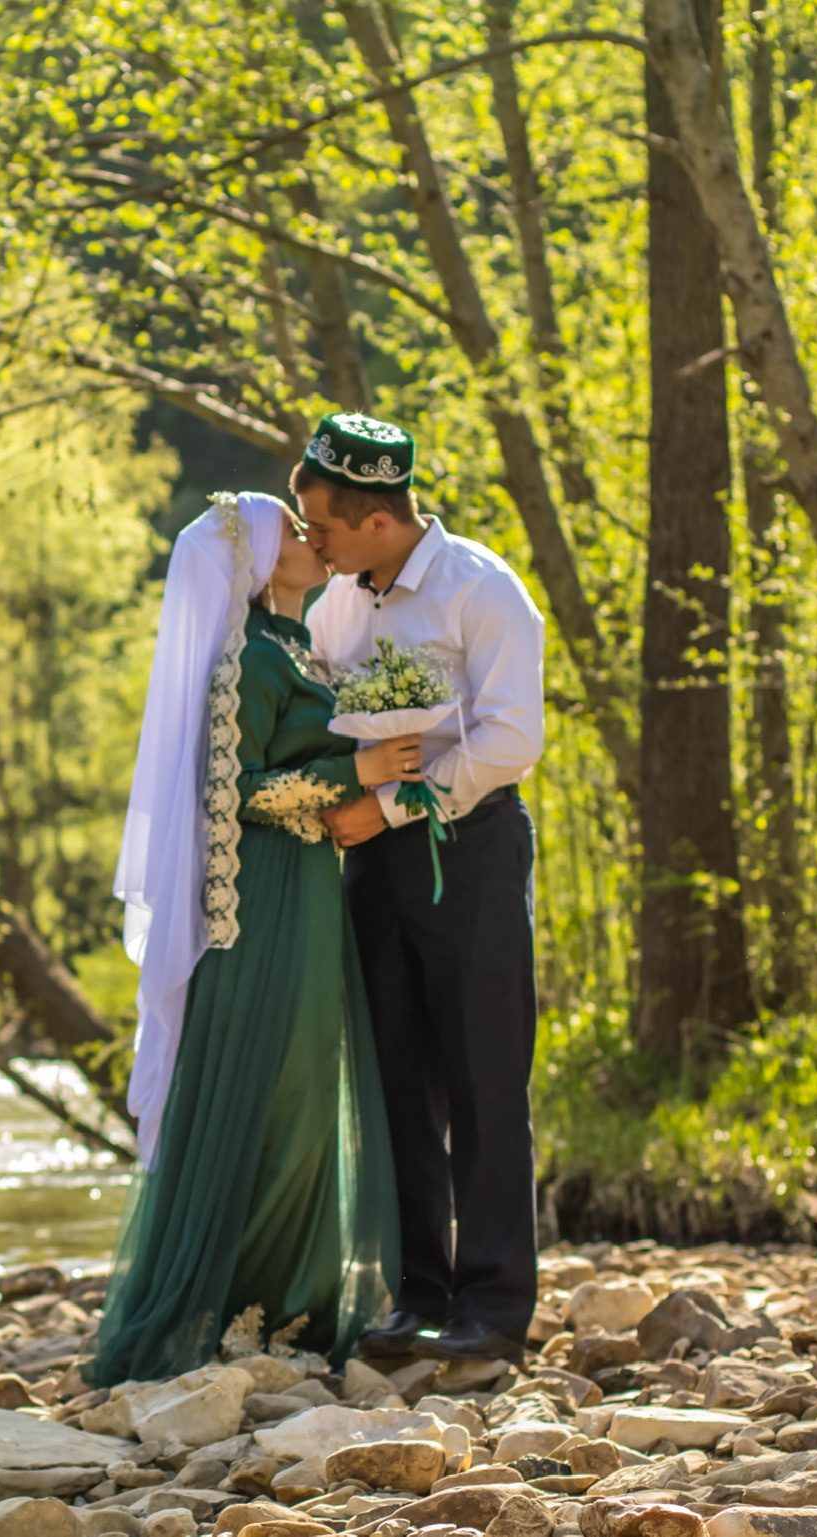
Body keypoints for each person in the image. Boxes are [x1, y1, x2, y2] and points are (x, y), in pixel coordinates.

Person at [89, 491, 410, 1385]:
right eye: (293, 532)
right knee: (280, 1087)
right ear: (261, 562)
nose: (312, 539)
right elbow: (235, 791)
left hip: (307, 882)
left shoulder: (293, 645)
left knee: (304, 1087)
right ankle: (243, 1304)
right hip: (264, 894)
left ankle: (291, 1302)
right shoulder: (251, 656)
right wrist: (355, 769)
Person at [297, 413, 547, 1365]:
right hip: (370, 863)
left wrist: (395, 805)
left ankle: (493, 1306)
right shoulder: (333, 606)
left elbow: (511, 738)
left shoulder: (481, 588)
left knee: (484, 1072)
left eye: (321, 526)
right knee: (393, 1074)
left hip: (469, 851)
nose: (311, 542)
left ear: (374, 519)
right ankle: (416, 1292)